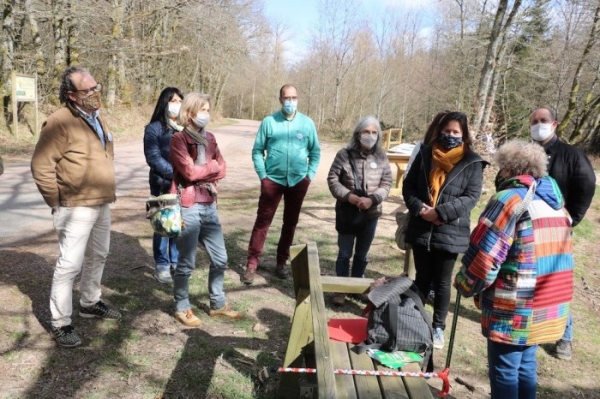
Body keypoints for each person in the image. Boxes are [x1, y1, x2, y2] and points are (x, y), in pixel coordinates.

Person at [455, 140, 574, 399]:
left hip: (516, 306)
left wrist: (465, 282)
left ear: (508, 169)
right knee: (526, 364)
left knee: (505, 369)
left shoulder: (509, 200)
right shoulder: (557, 204)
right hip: (549, 303)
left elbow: (486, 256)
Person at [31, 66, 121, 348]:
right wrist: (56, 202)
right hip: (74, 206)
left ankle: (90, 302)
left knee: (100, 254)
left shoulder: (98, 117)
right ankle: (60, 323)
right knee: (69, 265)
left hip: (102, 201)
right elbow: (41, 166)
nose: (95, 93)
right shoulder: (59, 122)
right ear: (71, 95)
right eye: (88, 90)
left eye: (97, 87)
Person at [402, 111, 486, 350]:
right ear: (439, 130)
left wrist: (440, 213)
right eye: (446, 131)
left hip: (450, 231)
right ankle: (415, 320)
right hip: (421, 227)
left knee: (442, 282)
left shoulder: (472, 162)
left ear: (464, 134)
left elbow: (471, 197)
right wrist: (420, 209)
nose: (450, 135)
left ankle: (439, 326)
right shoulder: (426, 154)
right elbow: (409, 186)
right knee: (421, 278)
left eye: (455, 132)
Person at [528, 107, 596, 361]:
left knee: (555, 282)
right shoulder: (524, 153)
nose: (538, 125)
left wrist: (572, 218)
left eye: (543, 120)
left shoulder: (571, 155)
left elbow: (587, 184)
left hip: (556, 234)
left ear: (554, 124)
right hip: (526, 230)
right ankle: (533, 329)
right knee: (529, 282)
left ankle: (564, 337)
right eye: (534, 121)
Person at [169, 92, 242, 327]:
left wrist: (209, 167)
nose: (207, 115)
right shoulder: (178, 140)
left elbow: (223, 168)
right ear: (190, 114)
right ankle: (182, 307)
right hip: (188, 206)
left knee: (220, 258)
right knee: (187, 263)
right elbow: (189, 173)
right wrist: (211, 167)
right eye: (203, 110)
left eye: (208, 110)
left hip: (209, 205)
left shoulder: (210, 137)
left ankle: (217, 304)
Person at [241, 84, 321, 285]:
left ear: (298, 99)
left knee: (290, 223)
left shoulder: (307, 124)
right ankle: (252, 263)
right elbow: (257, 150)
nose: (290, 101)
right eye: (287, 98)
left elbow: (316, 152)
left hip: (298, 181)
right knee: (263, 222)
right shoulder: (269, 122)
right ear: (280, 100)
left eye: (294, 97)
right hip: (273, 181)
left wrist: (308, 176)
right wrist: (263, 176)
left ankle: (281, 262)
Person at [327, 115, 392, 305]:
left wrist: (372, 199)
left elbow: (386, 184)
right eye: (366, 132)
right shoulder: (343, 155)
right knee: (344, 253)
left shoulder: (381, 157)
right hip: (348, 214)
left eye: (374, 132)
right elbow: (333, 180)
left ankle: (358, 287)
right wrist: (349, 196)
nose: (370, 136)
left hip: (371, 215)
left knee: (362, 255)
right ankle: (340, 288)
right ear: (358, 134)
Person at [144, 87, 184, 283]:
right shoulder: (153, 129)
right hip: (162, 184)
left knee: (178, 223)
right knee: (162, 223)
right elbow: (153, 157)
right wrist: (175, 174)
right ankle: (161, 264)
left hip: (184, 185)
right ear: (164, 103)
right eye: (173, 100)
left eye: (180, 101)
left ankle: (176, 261)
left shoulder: (186, 128)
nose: (177, 105)